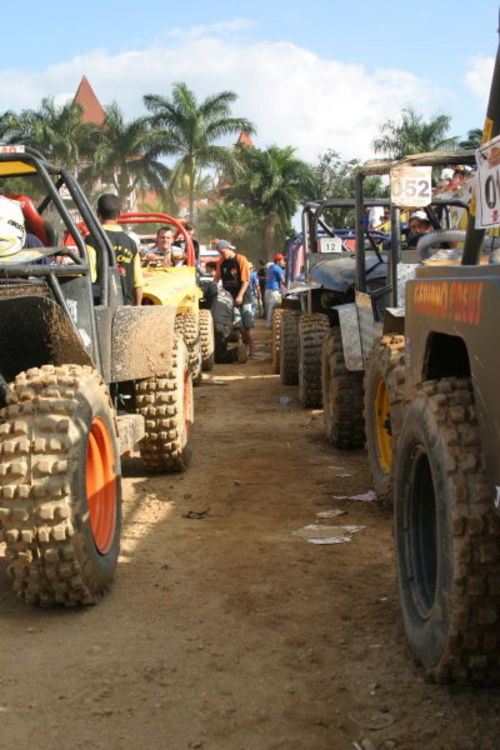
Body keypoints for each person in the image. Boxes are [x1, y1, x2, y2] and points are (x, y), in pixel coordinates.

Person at [88, 193, 143, 305]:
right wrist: (137, 308)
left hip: (101, 308)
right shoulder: (131, 243)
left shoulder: (91, 240)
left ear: (97, 213)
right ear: (120, 214)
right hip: (126, 308)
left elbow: (90, 278)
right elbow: (138, 283)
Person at [214, 239, 254, 355]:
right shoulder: (221, 262)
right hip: (229, 297)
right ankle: (250, 345)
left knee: (246, 323)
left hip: (243, 295)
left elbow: (246, 281)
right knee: (237, 322)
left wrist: (240, 295)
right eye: (219, 253)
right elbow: (216, 279)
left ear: (228, 248)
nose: (221, 255)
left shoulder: (241, 259)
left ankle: (249, 347)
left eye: (222, 252)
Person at [212, 286, 248, 364]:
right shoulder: (232, 301)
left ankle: (235, 353)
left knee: (214, 354)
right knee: (218, 353)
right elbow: (239, 324)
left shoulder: (214, 290)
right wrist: (248, 341)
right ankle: (234, 353)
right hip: (224, 327)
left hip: (213, 325)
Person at [264, 252, 285, 328]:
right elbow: (283, 280)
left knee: (269, 308)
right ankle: (269, 325)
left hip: (267, 290)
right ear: (278, 260)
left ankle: (269, 324)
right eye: (283, 260)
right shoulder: (277, 268)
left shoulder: (270, 267)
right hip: (274, 290)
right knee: (273, 307)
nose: (284, 262)